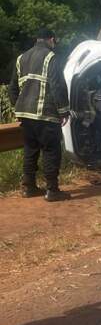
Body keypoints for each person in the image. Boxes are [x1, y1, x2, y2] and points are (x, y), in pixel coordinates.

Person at [8, 27, 71, 202]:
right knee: (51, 150)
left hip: (25, 115)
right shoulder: (51, 57)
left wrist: (18, 107)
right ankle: (52, 190)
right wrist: (64, 110)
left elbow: (12, 88)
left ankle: (29, 187)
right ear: (51, 39)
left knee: (30, 149)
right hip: (45, 114)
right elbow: (58, 87)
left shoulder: (21, 58)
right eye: (55, 41)